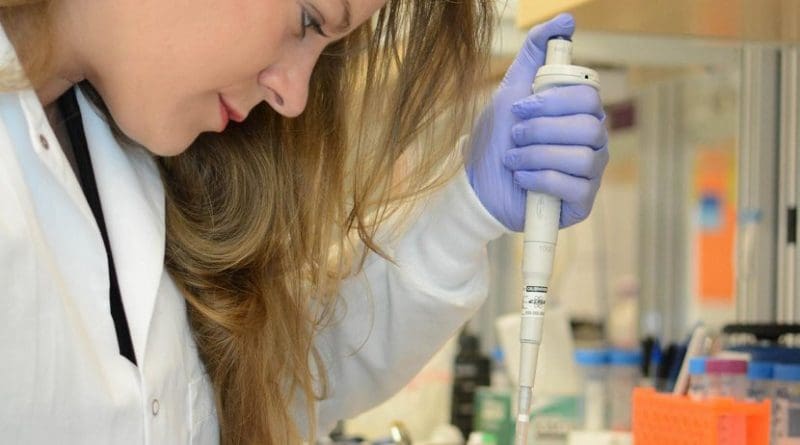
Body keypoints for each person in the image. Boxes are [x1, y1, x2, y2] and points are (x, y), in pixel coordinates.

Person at [0, 0, 608, 443]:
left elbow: (262, 383)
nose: (293, 95)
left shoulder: (131, 147)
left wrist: (467, 207)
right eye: (308, 21)